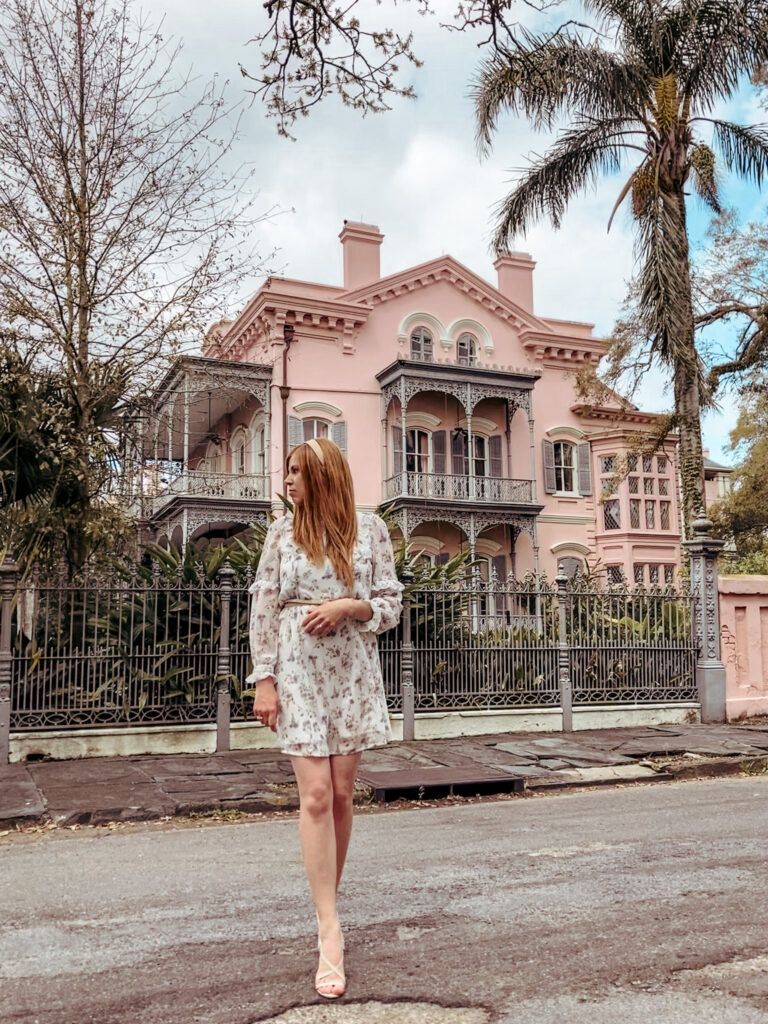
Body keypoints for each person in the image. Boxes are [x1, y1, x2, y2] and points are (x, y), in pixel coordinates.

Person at [248, 436, 403, 999]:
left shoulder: (372, 530)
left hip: (352, 670)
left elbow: (389, 603)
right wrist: (263, 678)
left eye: (295, 472)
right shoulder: (281, 532)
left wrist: (349, 606)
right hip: (295, 670)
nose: (286, 482)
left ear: (322, 473)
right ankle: (329, 929)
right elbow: (263, 604)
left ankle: (325, 906)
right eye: (286, 472)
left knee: (341, 794)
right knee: (313, 795)